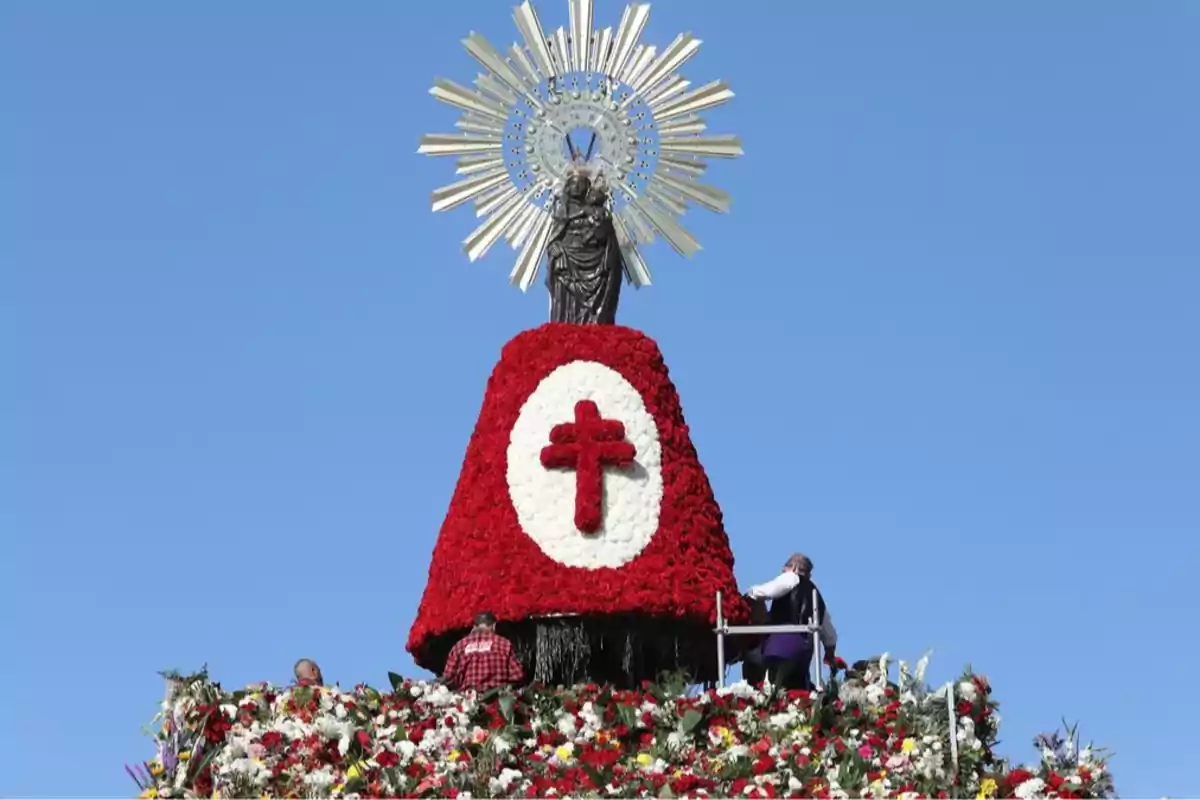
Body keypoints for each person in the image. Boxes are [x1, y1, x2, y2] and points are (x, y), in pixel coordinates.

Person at [742, 553, 837, 690]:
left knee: (753, 664)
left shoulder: (791, 577)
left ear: (793, 567)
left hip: (779, 647)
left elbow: (768, 591)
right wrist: (830, 655)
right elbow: (830, 636)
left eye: (784, 569)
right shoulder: (817, 597)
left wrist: (749, 595)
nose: (782, 572)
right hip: (802, 655)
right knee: (795, 693)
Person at [544, 167, 626, 325]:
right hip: (568, 260)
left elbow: (607, 236)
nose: (576, 188)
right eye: (573, 184)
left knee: (600, 291)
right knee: (566, 296)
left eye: (580, 184)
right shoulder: (562, 212)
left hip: (596, 260)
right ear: (567, 187)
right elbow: (554, 238)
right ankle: (566, 324)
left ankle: (595, 320)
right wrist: (554, 249)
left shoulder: (598, 211)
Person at [441, 611, 525, 692]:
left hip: (469, 701)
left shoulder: (459, 646)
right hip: (497, 699)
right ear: (494, 626)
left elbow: (449, 678)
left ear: (474, 626)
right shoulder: (504, 644)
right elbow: (517, 675)